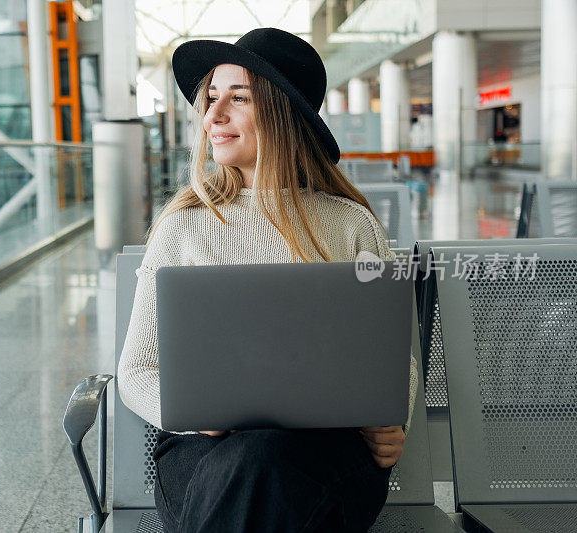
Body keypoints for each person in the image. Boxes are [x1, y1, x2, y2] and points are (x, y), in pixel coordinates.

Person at [118, 28, 418, 532]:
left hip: (325, 451)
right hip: (204, 453)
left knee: (268, 462)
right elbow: (137, 370)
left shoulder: (350, 224)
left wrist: (393, 417)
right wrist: (198, 414)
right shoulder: (183, 226)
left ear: (283, 113)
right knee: (256, 462)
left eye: (238, 98)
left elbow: (390, 354)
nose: (213, 115)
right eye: (212, 98)